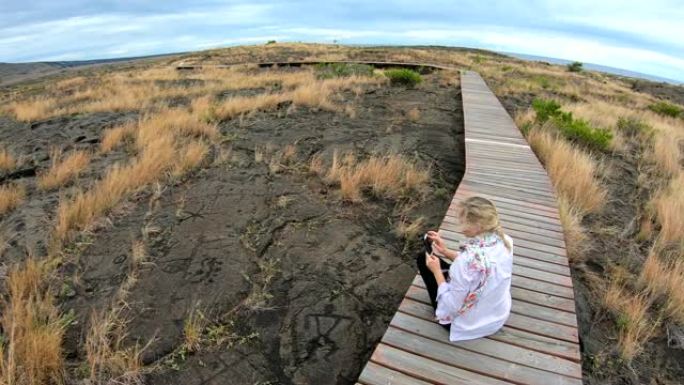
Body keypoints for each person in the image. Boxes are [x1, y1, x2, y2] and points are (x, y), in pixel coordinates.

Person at [416, 196, 514, 342]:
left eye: (463, 222)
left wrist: (437, 271)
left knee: (422, 260)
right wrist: (445, 252)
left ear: (479, 225)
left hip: (470, 326)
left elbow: (453, 306)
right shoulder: (506, 241)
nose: (460, 227)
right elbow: (477, 268)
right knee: (451, 272)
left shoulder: (465, 262)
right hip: (497, 315)